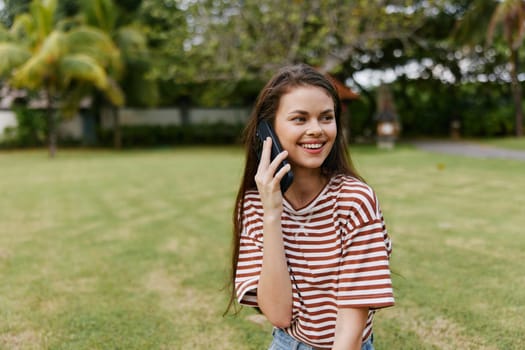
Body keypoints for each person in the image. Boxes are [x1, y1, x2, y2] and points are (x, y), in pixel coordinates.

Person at [226, 64, 394, 350]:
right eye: (300, 119)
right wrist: (272, 214)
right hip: (287, 343)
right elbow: (279, 315)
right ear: (267, 131)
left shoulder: (355, 200)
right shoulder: (255, 204)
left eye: (326, 118)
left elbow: (350, 330)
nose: (316, 130)